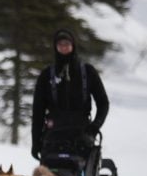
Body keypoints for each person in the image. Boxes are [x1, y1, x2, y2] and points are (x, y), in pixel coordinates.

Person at [31, 29, 109, 160]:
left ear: (73, 45)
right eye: (60, 44)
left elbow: (103, 103)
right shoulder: (46, 76)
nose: (63, 47)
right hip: (53, 138)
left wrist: (94, 127)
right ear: (55, 47)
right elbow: (38, 112)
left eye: (67, 44)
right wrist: (36, 141)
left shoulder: (88, 72)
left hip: (82, 137)